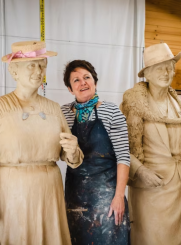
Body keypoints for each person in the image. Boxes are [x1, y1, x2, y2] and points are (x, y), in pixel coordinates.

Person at [0, 41, 83, 245]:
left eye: (42, 65)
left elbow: (69, 156)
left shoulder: (53, 109)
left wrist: (74, 152)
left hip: (49, 192)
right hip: (11, 193)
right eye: (31, 65)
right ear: (14, 71)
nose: (38, 71)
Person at [121, 43, 181, 245]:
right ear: (148, 73)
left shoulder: (179, 106)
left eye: (170, 66)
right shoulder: (135, 103)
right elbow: (121, 149)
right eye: (160, 67)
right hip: (150, 191)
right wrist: (141, 171)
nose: (167, 72)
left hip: (180, 190)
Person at [61, 60, 130, 245]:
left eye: (87, 77)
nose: (82, 82)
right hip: (75, 196)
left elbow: (124, 157)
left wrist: (119, 196)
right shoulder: (64, 114)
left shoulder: (110, 111)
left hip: (107, 197)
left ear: (95, 82)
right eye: (76, 80)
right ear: (69, 88)